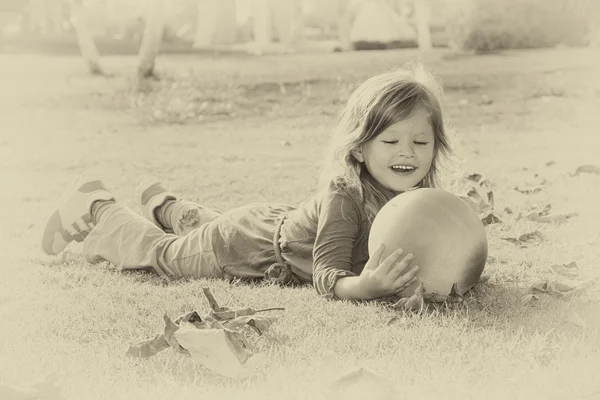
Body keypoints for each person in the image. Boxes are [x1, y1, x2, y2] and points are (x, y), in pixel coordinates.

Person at [41, 62, 453, 301]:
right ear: (359, 148)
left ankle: (165, 206)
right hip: (241, 247)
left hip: (268, 225)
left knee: (203, 230)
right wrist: (364, 287)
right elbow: (327, 272)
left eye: (420, 141)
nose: (407, 153)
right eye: (391, 140)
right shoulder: (344, 196)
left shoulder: (416, 199)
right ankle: (97, 207)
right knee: (166, 257)